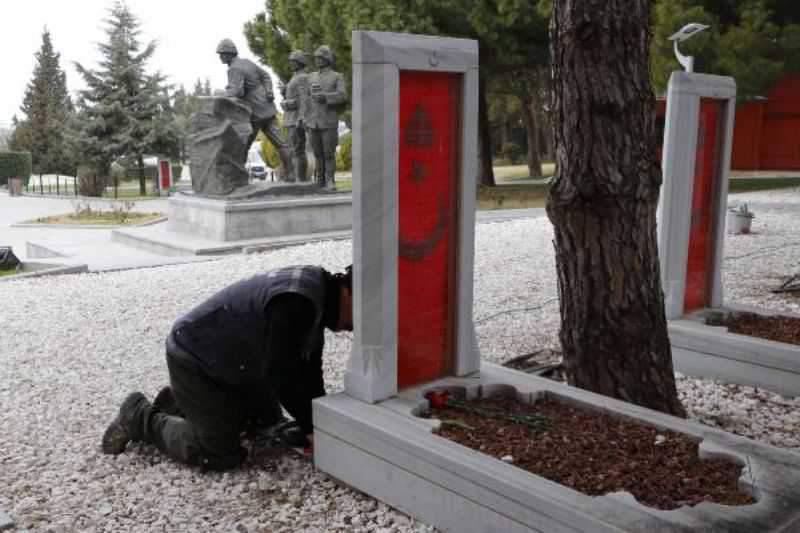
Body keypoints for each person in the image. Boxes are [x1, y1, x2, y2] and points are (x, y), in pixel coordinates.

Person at [101, 265, 353, 471]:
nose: (353, 328)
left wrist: (320, 425)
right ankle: (140, 416)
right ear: (350, 293)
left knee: (267, 425)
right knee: (220, 453)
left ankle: (181, 404)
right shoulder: (296, 304)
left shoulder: (316, 291)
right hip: (195, 360)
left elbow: (309, 370)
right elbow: (282, 376)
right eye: (357, 320)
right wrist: (312, 428)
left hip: (235, 362)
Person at [216, 38, 296, 181]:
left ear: (229, 54)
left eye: (221, 54)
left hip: (254, 113)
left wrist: (221, 93)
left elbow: (237, 92)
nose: (220, 57)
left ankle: (238, 178)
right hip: (268, 109)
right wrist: (269, 91)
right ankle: (291, 174)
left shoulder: (233, 68)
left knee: (243, 145)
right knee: (281, 143)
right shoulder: (247, 62)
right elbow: (266, 75)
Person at [307, 45, 347, 190]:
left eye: (320, 58)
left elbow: (342, 96)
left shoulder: (337, 76)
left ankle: (330, 181)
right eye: (316, 58)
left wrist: (325, 97)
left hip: (329, 120)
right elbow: (305, 98)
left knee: (328, 153)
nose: (317, 60)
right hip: (313, 122)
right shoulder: (311, 77)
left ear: (327, 59)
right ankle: (320, 180)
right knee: (317, 154)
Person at [281, 50, 311, 182]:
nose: (291, 64)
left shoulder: (303, 77)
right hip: (290, 118)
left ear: (300, 62)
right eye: (290, 61)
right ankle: (295, 178)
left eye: (293, 61)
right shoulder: (295, 76)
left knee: (298, 150)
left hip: (296, 119)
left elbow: (305, 99)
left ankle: (301, 179)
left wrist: (302, 117)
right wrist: (284, 92)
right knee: (293, 150)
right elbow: (294, 96)